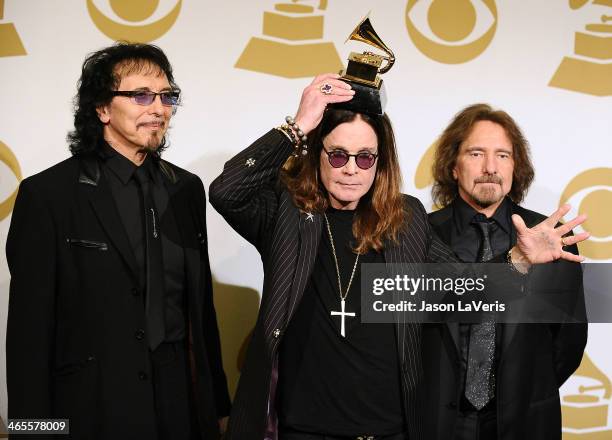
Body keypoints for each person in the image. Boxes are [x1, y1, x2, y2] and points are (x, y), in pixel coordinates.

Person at [209, 75, 588, 440]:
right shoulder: (286, 211)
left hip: (389, 430)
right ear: (317, 152)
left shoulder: (404, 218)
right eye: (339, 156)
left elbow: (461, 291)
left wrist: (519, 257)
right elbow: (227, 191)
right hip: (301, 428)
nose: (352, 170)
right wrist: (299, 126)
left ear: (380, 161)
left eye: (365, 158)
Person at [6, 42, 230, 439]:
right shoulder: (50, 195)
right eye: (141, 95)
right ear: (102, 109)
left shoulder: (187, 190)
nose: (158, 109)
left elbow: (199, 310)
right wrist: (33, 431)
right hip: (93, 410)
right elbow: (28, 336)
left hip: (181, 409)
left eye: (166, 96)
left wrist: (218, 408)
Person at [422, 103, 588, 440]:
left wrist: (523, 393)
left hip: (524, 422)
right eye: (475, 153)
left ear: (516, 167)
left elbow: (568, 343)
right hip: (434, 423)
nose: (489, 168)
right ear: (453, 166)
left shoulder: (555, 241)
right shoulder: (418, 236)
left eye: (502, 156)